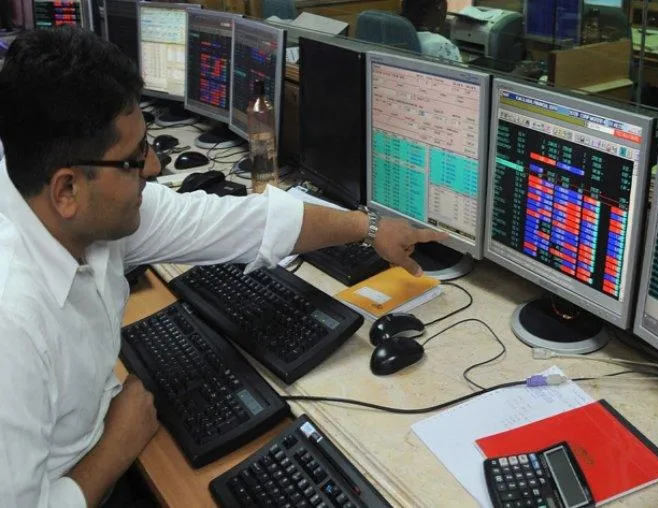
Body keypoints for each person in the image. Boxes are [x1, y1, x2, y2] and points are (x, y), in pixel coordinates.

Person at [0, 27, 445, 507]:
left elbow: (232, 222)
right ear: (67, 189)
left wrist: (369, 228)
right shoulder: (13, 321)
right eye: (133, 159)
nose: (154, 168)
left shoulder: (71, 208)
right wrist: (116, 447)